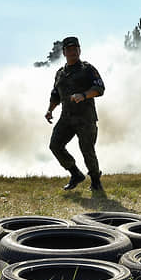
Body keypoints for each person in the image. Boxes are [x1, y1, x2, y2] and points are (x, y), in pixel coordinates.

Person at [45, 36, 106, 191]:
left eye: (75, 49)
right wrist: (50, 109)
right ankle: (75, 174)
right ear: (64, 52)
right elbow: (55, 94)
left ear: (80, 50)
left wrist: (84, 95)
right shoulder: (60, 73)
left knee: (87, 150)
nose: (73, 52)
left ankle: (95, 180)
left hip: (85, 118)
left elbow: (100, 88)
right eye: (69, 49)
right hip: (66, 118)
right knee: (55, 145)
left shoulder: (87, 69)